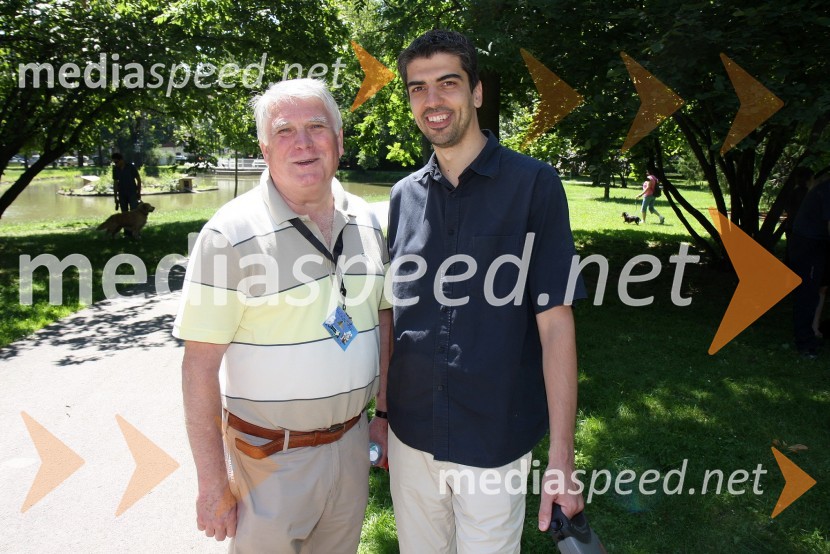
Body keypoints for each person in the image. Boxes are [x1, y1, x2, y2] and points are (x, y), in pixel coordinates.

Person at [374, 29, 587, 553]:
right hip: (410, 434)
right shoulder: (402, 197)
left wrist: (562, 456)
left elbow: (556, 323)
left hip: (494, 436)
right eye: (417, 88)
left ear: (476, 92)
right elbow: (391, 317)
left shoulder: (534, 185)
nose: (432, 100)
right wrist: (381, 415)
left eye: (447, 83)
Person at [173, 78, 392, 552]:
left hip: (352, 446)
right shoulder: (228, 235)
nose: (304, 143)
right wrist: (212, 484)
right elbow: (199, 366)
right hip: (268, 460)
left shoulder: (369, 221)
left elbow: (385, 319)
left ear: (339, 139)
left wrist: (385, 413)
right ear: (265, 148)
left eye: (317, 127)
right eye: (285, 131)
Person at [788, 169, 830, 359]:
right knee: (807, 293)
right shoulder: (827, 189)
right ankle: (805, 344)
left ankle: (813, 332)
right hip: (808, 245)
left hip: (817, 244)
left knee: (818, 288)